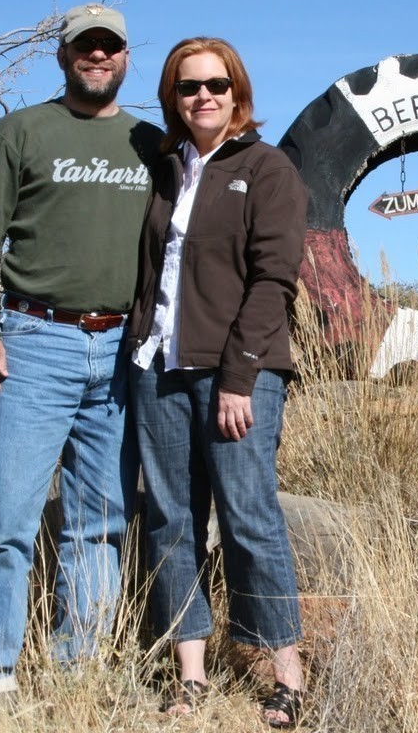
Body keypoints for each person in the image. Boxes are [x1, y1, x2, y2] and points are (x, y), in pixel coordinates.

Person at [0, 3, 162, 705]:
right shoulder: (21, 133)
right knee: (9, 519)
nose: (97, 56)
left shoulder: (152, 144)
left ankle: (81, 668)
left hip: (122, 351)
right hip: (33, 344)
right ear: (64, 55)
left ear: (126, 57)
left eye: (110, 47)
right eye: (84, 47)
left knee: (99, 523)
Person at [126, 37, 308, 728]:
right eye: (188, 86)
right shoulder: (167, 170)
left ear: (238, 93)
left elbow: (273, 279)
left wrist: (239, 378)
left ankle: (284, 674)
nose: (203, 96)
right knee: (171, 521)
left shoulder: (266, 169)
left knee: (248, 514)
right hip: (160, 369)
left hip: (239, 374)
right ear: (173, 97)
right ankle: (191, 675)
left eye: (216, 85)